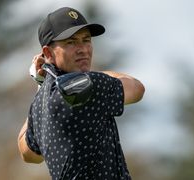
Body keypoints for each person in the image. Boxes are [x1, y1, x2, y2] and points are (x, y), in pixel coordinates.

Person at [17, 7, 145, 180]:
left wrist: (41, 85)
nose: (83, 49)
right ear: (48, 53)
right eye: (71, 42)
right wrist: (95, 76)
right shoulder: (83, 86)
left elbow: (28, 153)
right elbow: (136, 89)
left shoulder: (40, 103)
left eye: (86, 40)